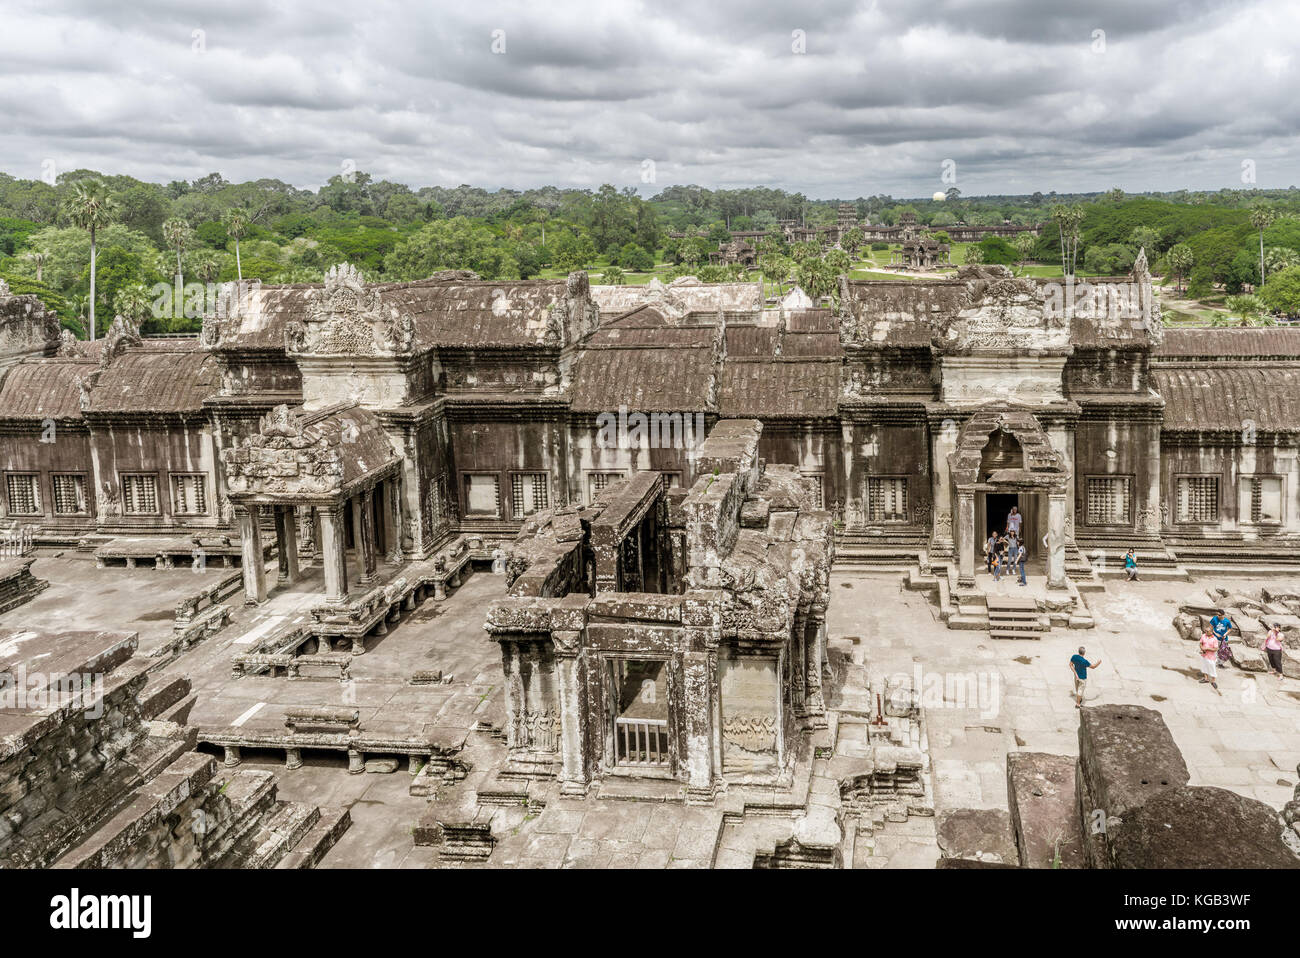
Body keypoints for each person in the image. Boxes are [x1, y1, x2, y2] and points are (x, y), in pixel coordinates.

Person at [1198, 629, 1221, 694]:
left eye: (1207, 631)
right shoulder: (1203, 636)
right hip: (1204, 655)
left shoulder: (1215, 639)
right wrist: (1201, 648)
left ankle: (1213, 681)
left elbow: (1216, 649)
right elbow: (1200, 643)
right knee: (1204, 666)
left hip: (1211, 657)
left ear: (1211, 632)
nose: (1206, 632)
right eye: (1206, 631)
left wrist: (1207, 649)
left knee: (1212, 668)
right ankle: (1206, 679)